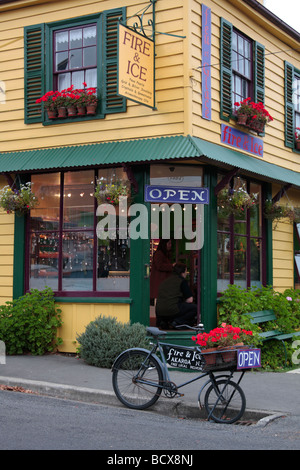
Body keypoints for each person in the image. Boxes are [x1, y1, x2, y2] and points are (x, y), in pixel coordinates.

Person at [155, 262, 197, 329]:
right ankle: (178, 322)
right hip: (173, 310)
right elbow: (190, 300)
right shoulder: (181, 281)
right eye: (186, 271)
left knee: (176, 307)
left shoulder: (165, 281)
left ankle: (165, 322)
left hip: (159, 312)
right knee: (195, 308)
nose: (186, 273)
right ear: (182, 272)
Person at [150, 239, 173, 303]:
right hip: (159, 281)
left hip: (161, 282)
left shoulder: (163, 254)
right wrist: (172, 266)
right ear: (164, 244)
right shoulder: (159, 254)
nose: (170, 245)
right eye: (169, 243)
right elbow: (159, 266)